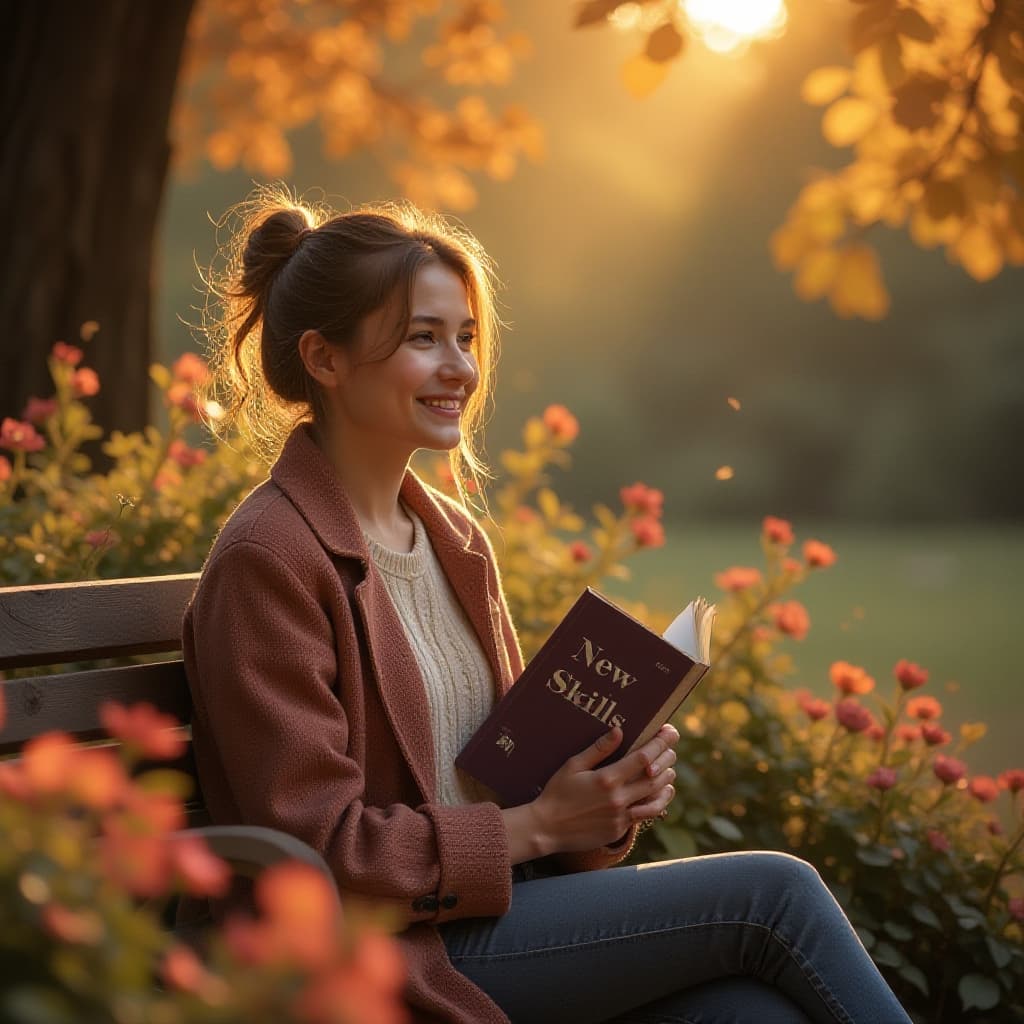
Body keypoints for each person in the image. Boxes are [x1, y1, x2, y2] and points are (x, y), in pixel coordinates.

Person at [183, 191, 913, 1024]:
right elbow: (320, 849)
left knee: (750, 1012)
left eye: (465, 337)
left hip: (496, 917)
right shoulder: (269, 560)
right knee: (774, 894)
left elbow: (511, 785)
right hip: (390, 951)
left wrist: (599, 797)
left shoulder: (453, 540)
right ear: (324, 358)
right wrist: (535, 829)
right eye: (423, 338)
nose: (460, 366)